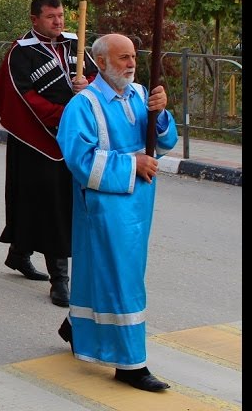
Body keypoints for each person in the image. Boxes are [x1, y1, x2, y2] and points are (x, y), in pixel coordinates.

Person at [55, 33, 176, 393]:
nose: (131, 63)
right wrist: (131, 163)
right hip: (105, 205)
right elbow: (80, 160)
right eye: (122, 58)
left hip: (139, 204)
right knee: (122, 278)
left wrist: (162, 112)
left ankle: (77, 327)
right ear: (101, 63)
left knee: (112, 272)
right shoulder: (83, 105)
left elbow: (163, 142)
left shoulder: (140, 95)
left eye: (133, 57)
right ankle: (130, 363)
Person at [0, 0, 98, 307]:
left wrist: (87, 88)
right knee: (49, 205)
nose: (59, 22)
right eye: (51, 17)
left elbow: (94, 77)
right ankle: (60, 281)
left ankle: (18, 253)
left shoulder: (73, 46)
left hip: (71, 139)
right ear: (35, 19)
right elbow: (25, 98)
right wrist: (68, 116)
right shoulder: (21, 52)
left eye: (61, 16)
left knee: (47, 203)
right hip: (36, 139)